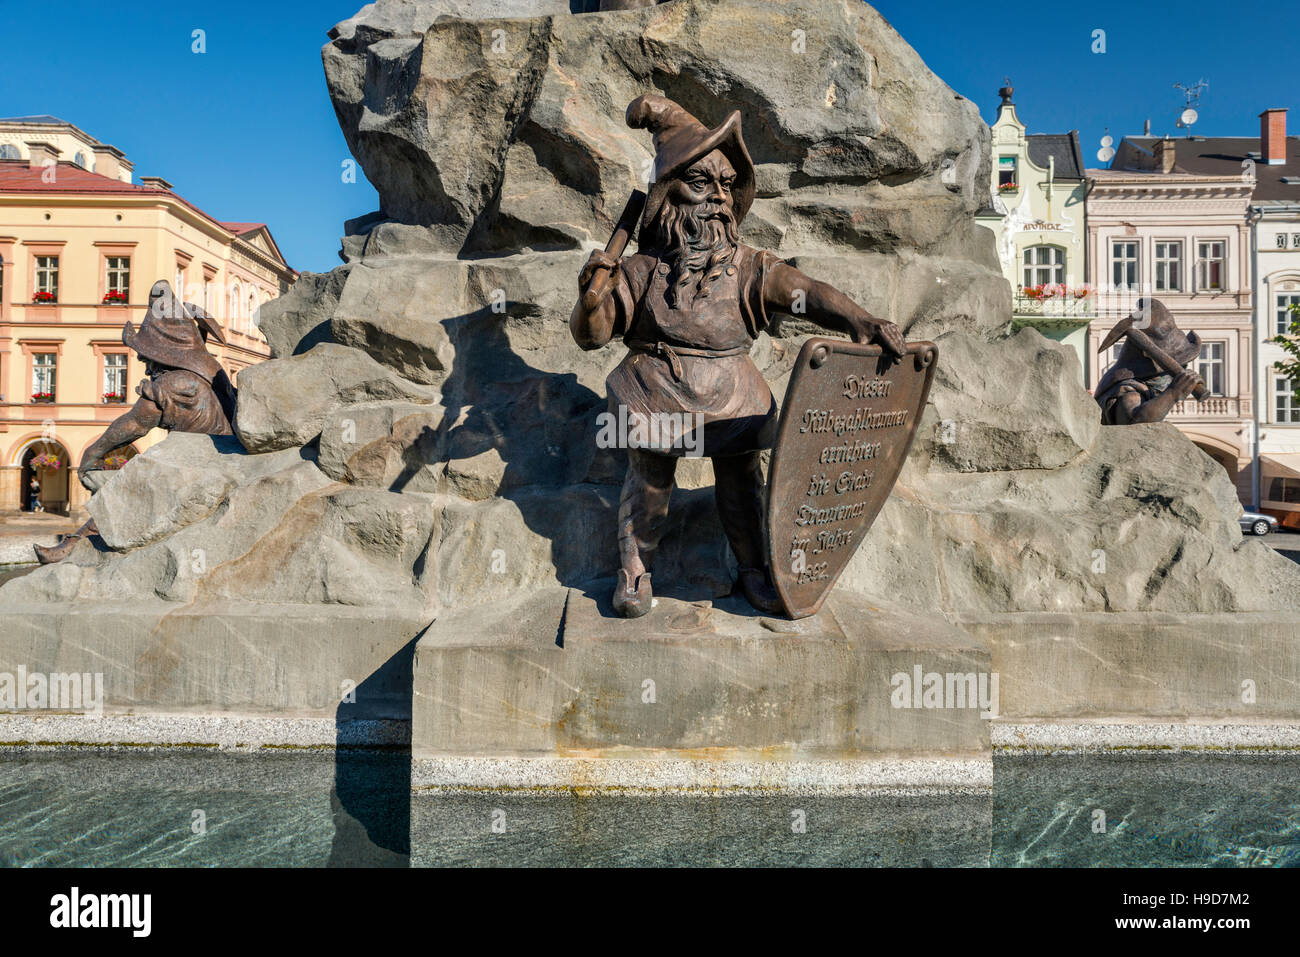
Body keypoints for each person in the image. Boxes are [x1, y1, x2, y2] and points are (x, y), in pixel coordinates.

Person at [570, 94, 907, 616]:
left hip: (733, 389)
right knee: (649, 479)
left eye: (727, 186)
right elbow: (592, 336)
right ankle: (635, 569)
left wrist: (859, 320)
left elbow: (808, 291)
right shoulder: (640, 270)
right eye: (701, 184)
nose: (717, 199)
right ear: (667, 195)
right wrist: (593, 296)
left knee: (742, 483)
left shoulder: (751, 267)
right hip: (655, 386)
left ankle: (754, 567)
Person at [33, 280, 235, 564]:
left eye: (146, 350)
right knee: (137, 481)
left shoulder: (173, 384)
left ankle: (74, 545)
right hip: (214, 465)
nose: (142, 358)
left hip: (195, 472)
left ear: (163, 350)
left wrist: (95, 451)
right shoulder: (211, 376)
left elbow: (134, 424)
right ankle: (75, 544)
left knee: (134, 484)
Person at [1095, 298, 1204, 425]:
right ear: (1153, 372)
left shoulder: (1149, 393)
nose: (1182, 371)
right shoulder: (1129, 395)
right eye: (1180, 365)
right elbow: (1136, 423)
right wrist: (1173, 393)